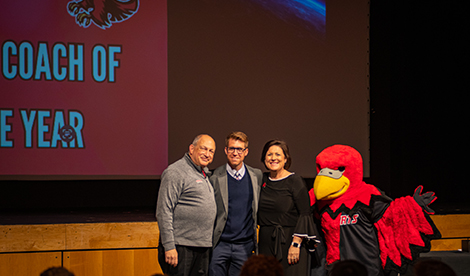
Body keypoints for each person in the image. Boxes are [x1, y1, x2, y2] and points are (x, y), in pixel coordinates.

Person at [156, 134, 217, 276]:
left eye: (211, 151)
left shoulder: (203, 173)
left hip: (202, 247)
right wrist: (169, 246)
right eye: (204, 149)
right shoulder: (175, 172)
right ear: (191, 149)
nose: (207, 154)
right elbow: (164, 210)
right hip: (181, 247)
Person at [257, 139, 319, 276]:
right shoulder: (262, 179)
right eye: (269, 154)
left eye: (278, 155)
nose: (273, 158)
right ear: (264, 158)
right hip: (266, 244)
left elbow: (305, 214)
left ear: (285, 159)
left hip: (290, 243)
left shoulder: (295, 181)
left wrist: (296, 244)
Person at [209, 131, 263, 276]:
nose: (235, 153)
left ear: (246, 152)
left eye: (239, 149)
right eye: (232, 148)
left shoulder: (256, 175)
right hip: (220, 244)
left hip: (244, 246)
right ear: (226, 150)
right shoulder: (214, 177)